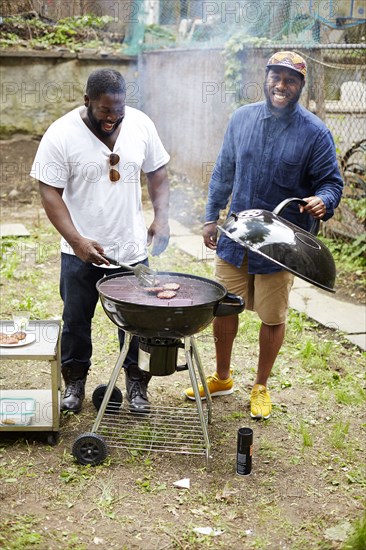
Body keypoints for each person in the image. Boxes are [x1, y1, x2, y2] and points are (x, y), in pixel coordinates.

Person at [184, 51, 343, 419]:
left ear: (301, 86)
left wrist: (324, 199)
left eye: (290, 80)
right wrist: (211, 217)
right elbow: (223, 170)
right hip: (235, 236)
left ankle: (261, 386)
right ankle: (223, 377)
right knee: (225, 308)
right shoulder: (242, 119)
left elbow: (331, 182)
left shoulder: (315, 133)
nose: (281, 86)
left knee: (272, 317)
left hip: (280, 248)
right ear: (266, 78)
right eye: (276, 77)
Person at [31, 68, 170, 414]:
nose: (113, 118)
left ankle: (137, 385)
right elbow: (49, 192)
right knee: (76, 319)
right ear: (87, 101)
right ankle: (74, 383)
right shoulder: (62, 133)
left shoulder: (141, 125)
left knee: (139, 322)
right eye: (105, 110)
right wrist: (76, 240)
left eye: (118, 110)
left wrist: (162, 217)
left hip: (131, 250)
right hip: (80, 252)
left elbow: (158, 172)